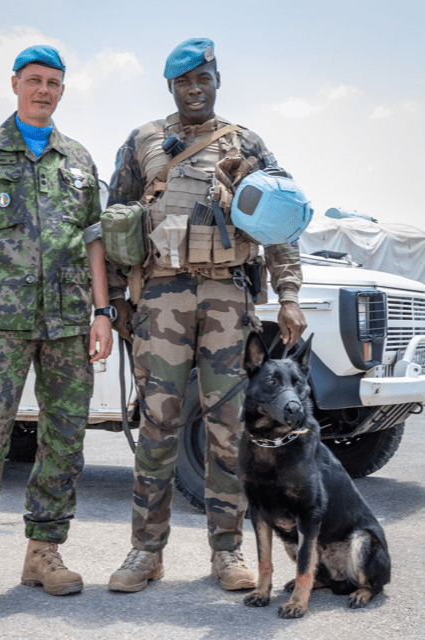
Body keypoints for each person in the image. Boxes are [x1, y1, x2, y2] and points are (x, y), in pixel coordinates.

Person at [106, 38, 307, 593]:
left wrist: (289, 294)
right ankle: (145, 552)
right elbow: (114, 219)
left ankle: (227, 550)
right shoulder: (142, 141)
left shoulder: (247, 142)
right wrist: (117, 297)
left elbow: (280, 219)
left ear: (217, 81)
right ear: (170, 87)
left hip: (226, 297)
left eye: (203, 79)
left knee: (229, 427)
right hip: (160, 298)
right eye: (184, 82)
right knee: (158, 424)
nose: (194, 90)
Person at [0, 45, 114, 615]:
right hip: (2, 325)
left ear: (62, 90)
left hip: (67, 323)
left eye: (53, 83)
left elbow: (94, 243)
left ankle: (44, 552)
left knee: (65, 439)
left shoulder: (78, 159)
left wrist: (102, 312)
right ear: (15, 83)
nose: (43, 91)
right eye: (34, 80)